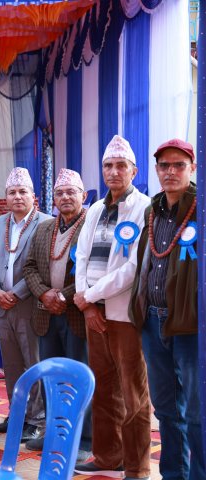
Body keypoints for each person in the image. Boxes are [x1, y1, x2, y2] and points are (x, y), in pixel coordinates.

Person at [73, 135, 151, 480]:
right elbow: (81, 256)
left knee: (134, 394)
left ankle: (137, 467)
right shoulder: (94, 209)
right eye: (108, 165)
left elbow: (134, 268)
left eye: (121, 166)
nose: (114, 171)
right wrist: (86, 302)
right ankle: (108, 457)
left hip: (125, 316)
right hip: (94, 313)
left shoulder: (145, 208)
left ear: (134, 171)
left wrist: (90, 295)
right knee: (103, 388)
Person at [129, 139, 203, 480]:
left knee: (197, 412)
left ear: (192, 168)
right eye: (164, 166)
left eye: (179, 165)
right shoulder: (153, 210)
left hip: (190, 325)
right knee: (166, 409)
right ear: (156, 170)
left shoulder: (200, 208)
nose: (170, 171)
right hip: (152, 321)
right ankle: (174, 474)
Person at [22, 168, 91, 458]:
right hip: (46, 315)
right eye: (59, 193)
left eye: (71, 192)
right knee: (52, 377)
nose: (65, 197)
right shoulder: (44, 228)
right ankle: (53, 432)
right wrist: (44, 294)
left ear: (83, 195)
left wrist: (63, 295)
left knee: (78, 378)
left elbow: (93, 270)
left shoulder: (91, 224)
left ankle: (83, 439)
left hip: (77, 314)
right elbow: (29, 267)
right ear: (53, 199)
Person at [0, 167, 49, 441]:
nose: (18, 196)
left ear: (34, 196)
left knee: (33, 363)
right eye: (12, 192)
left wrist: (16, 294)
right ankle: (17, 414)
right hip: (2, 306)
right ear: (5, 198)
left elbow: (43, 266)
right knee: (11, 366)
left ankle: (37, 419)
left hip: (29, 305)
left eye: (23, 192)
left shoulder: (45, 223)